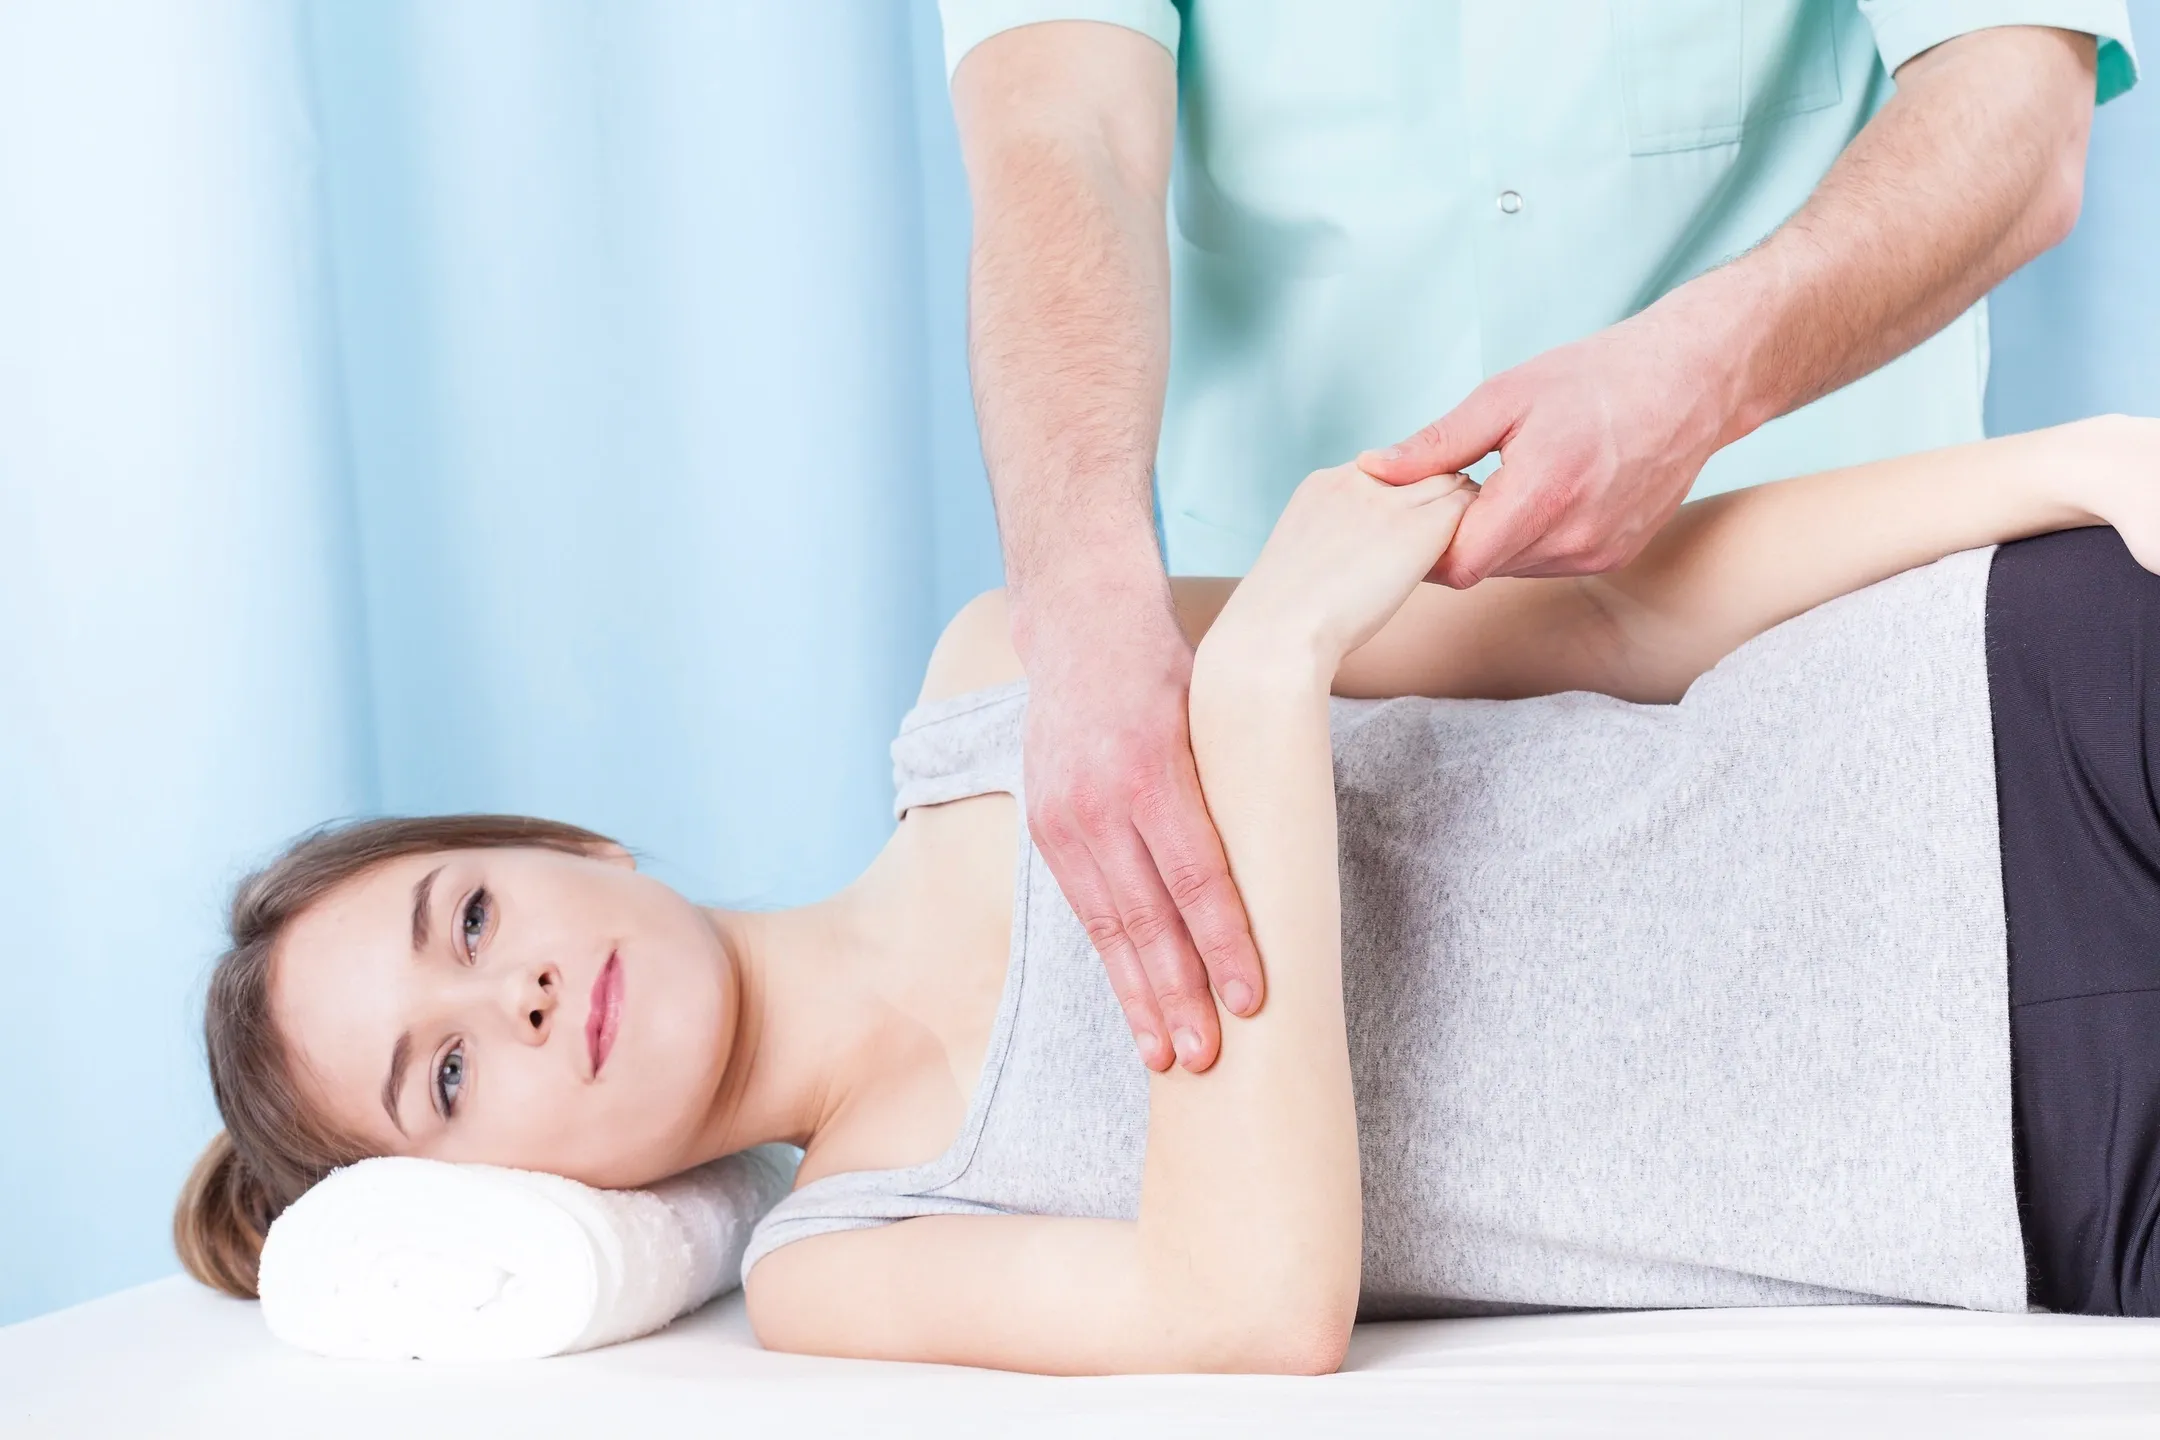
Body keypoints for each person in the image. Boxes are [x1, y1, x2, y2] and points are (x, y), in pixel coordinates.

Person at [176, 417, 2160, 1373]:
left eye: (465, 919)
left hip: (2010, 716)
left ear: (563, 850)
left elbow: (1609, 620)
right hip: (2019, 1170)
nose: (507, 999)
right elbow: (1252, 1303)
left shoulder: (992, 680)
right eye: (442, 1080)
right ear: (495, 1187)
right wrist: (1259, 676)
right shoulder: (846, 1261)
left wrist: (2082, 466)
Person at [945, 2, 2139, 1075]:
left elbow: (2016, 88)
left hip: (1834, 637)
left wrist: (1713, 369)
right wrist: (1086, 586)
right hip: (1334, 728)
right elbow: (1060, 123)